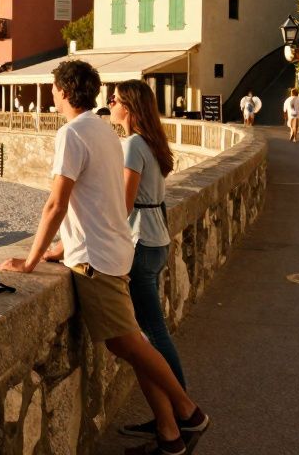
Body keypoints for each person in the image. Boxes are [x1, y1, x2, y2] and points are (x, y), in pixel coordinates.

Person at [0, 60, 207, 455]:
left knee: (132, 343)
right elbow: (100, 201)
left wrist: (30, 261)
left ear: (61, 91)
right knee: (130, 344)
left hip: (96, 260)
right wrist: (60, 250)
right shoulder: (106, 131)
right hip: (114, 250)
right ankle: (170, 434)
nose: (53, 94)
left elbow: (55, 205)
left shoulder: (73, 133)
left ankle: (188, 411)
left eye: (54, 89)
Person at [110, 80, 188, 395]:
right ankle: (171, 413)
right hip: (157, 239)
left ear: (127, 106)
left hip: (140, 241)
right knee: (150, 330)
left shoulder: (131, 145)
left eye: (113, 98)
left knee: (153, 332)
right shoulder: (152, 143)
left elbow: (124, 205)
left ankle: (184, 407)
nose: (109, 103)